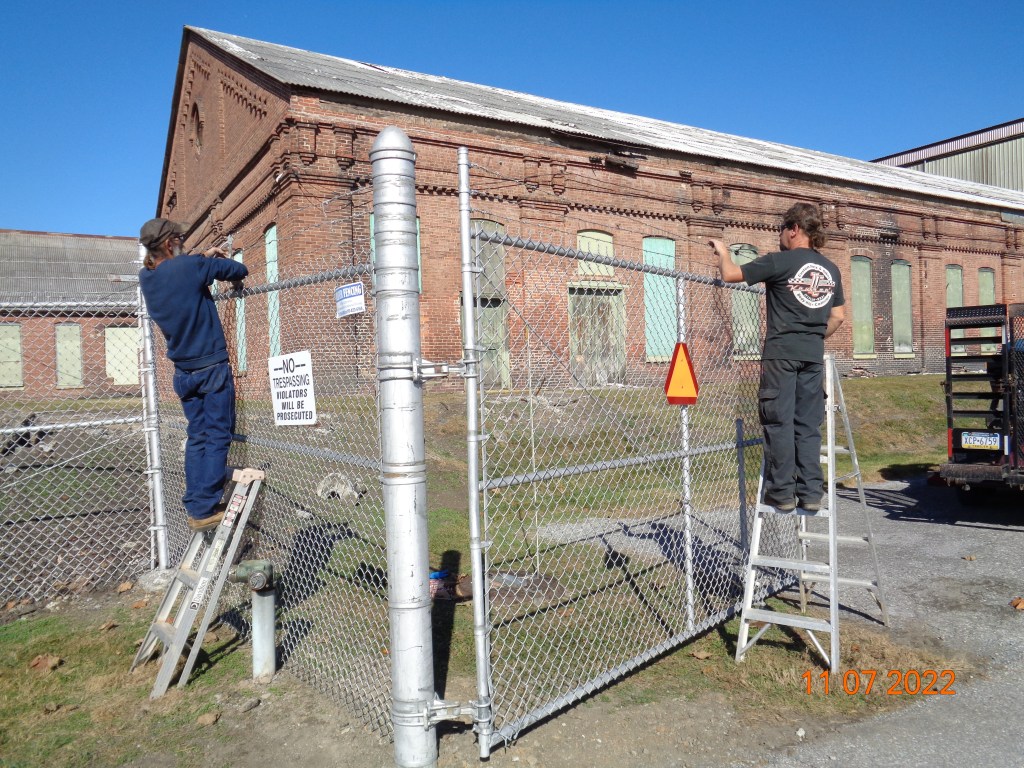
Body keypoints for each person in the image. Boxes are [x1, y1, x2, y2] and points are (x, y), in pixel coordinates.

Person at [709, 203, 845, 512]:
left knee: (778, 420)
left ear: (794, 229)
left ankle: (782, 493)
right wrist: (812, 337)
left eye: (781, 229)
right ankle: (811, 492)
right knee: (807, 425)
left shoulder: (779, 262)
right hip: (811, 356)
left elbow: (731, 274)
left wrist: (723, 251)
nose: (779, 236)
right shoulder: (831, 269)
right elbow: (838, 316)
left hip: (781, 354)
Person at [138, 218, 263, 531]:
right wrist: (218, 259)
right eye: (179, 237)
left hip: (184, 372)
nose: (182, 240)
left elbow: (181, 271)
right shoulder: (189, 268)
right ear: (169, 243)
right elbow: (238, 271)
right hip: (211, 370)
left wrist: (202, 258)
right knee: (218, 434)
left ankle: (197, 504)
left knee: (198, 435)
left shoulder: (147, 276)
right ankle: (206, 507)